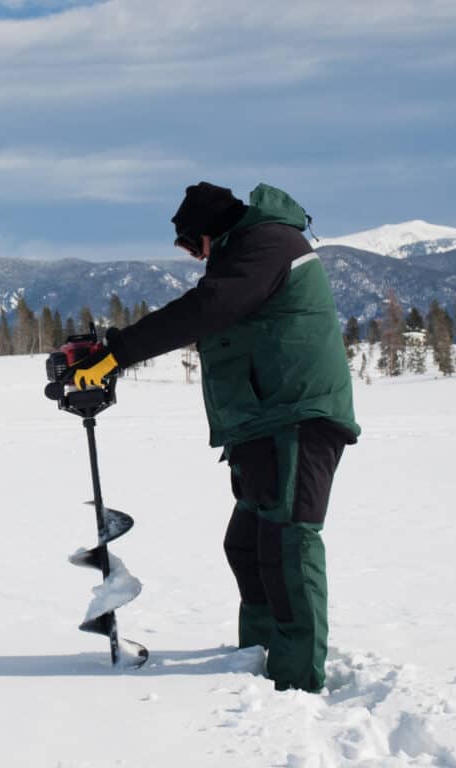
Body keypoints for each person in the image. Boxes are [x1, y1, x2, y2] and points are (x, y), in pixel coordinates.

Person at [66, 182, 359, 693]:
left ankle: (294, 678)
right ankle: (258, 652)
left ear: (209, 231)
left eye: (189, 244)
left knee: (288, 545)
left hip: (295, 417)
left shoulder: (268, 245)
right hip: (262, 421)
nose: (190, 256)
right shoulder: (248, 255)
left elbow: (206, 309)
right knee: (246, 544)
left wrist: (117, 352)